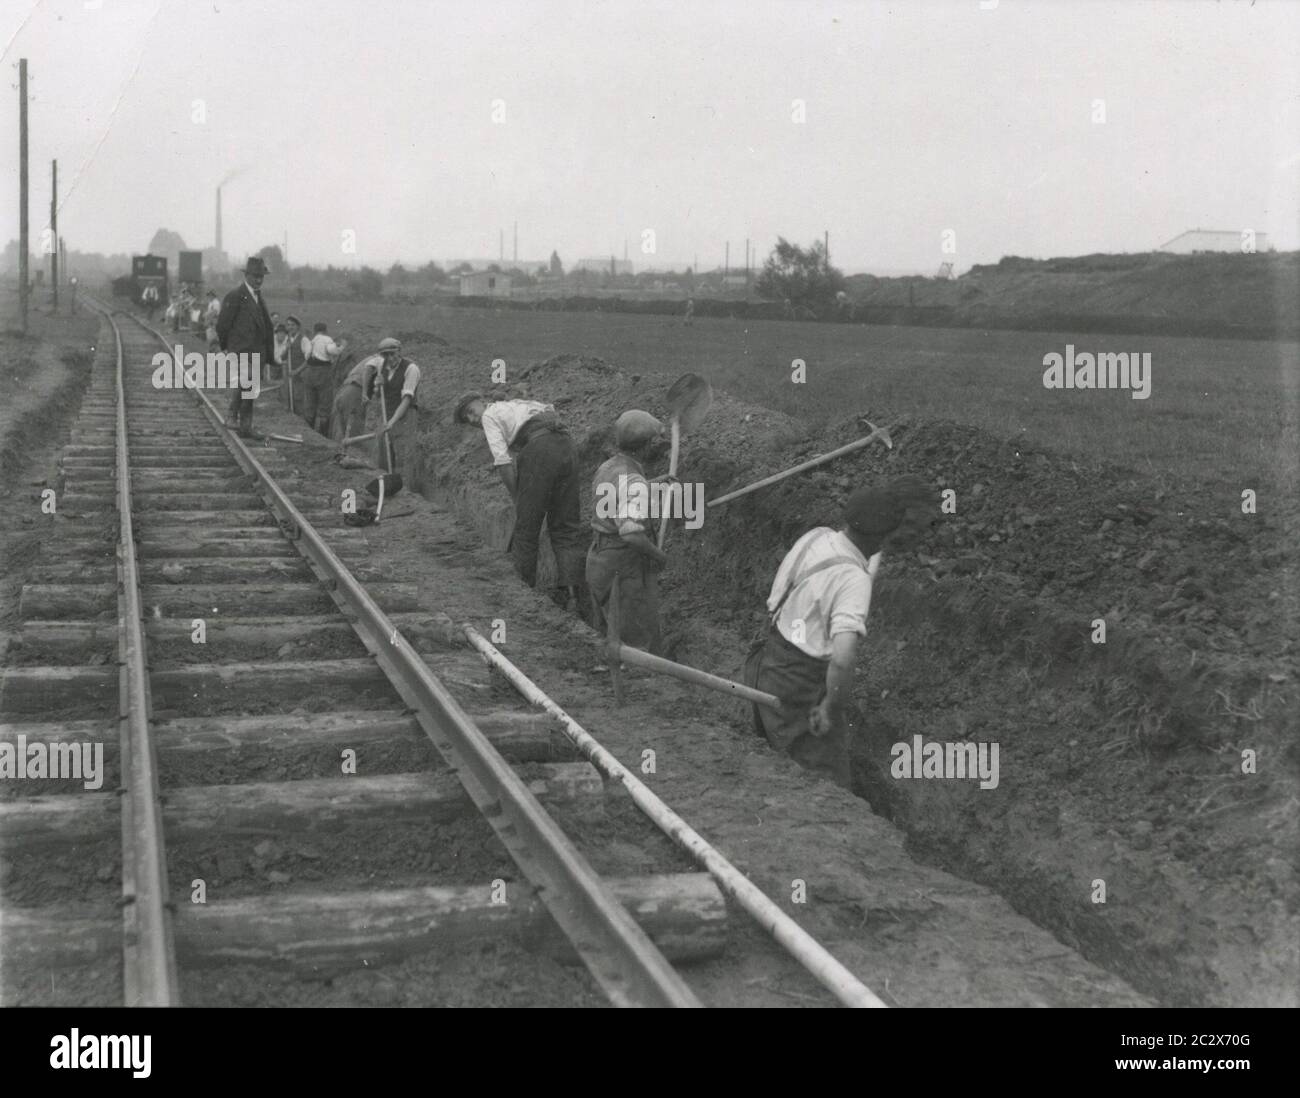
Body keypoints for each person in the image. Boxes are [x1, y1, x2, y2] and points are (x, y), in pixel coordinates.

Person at [743, 475, 931, 788]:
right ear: (883, 537)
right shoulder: (854, 580)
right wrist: (830, 708)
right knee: (824, 786)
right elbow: (842, 660)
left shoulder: (816, 536)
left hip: (765, 659)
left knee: (778, 769)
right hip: (797, 685)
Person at [454, 391, 587, 610]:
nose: (472, 419)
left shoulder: (489, 415)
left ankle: (524, 598)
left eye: (470, 411)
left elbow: (503, 463)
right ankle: (572, 597)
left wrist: (519, 499)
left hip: (540, 450)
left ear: (482, 403)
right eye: (467, 419)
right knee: (566, 529)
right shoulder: (517, 406)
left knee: (526, 530)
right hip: (567, 446)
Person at [586, 410, 672, 653]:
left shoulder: (608, 466)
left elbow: (616, 495)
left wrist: (651, 484)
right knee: (636, 646)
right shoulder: (633, 482)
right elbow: (631, 533)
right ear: (645, 446)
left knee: (609, 639)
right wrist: (658, 555)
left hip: (599, 559)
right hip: (622, 566)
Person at [216, 256, 275, 438]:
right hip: (240, 350)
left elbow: (265, 326)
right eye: (255, 276)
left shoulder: (259, 297)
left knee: (250, 390)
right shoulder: (235, 295)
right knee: (246, 378)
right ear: (247, 275)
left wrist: (270, 355)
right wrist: (227, 347)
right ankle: (231, 415)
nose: (259, 280)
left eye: (261, 277)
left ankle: (246, 426)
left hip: (256, 352)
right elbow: (222, 325)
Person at [367, 337, 419, 478]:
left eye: (392, 353)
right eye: (385, 355)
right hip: (386, 415)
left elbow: (407, 399)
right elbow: (379, 396)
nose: (389, 358)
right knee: (383, 451)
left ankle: (407, 491)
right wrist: (377, 387)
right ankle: (385, 483)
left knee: (404, 455)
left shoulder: (411, 369)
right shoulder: (381, 367)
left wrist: (392, 422)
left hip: (405, 417)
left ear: (399, 352)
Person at [299, 321, 346, 435]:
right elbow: (332, 350)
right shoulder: (327, 339)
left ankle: (309, 433)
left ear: (315, 331)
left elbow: (306, 353)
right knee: (325, 404)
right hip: (323, 372)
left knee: (310, 403)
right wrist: (342, 346)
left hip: (310, 371)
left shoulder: (311, 340)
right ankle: (323, 435)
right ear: (325, 331)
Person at [333, 352, 381, 442]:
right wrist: (364, 392)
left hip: (343, 391)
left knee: (345, 434)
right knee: (354, 437)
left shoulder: (369, 359)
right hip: (354, 394)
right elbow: (369, 369)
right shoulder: (380, 359)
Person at [280, 314, 311, 410]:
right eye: (288, 325)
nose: (290, 327)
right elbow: (282, 357)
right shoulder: (287, 339)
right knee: (289, 397)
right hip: (290, 375)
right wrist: (287, 348)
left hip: (301, 375)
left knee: (300, 399)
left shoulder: (304, 340)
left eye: (293, 325)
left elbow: (308, 360)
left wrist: (297, 371)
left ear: (298, 326)